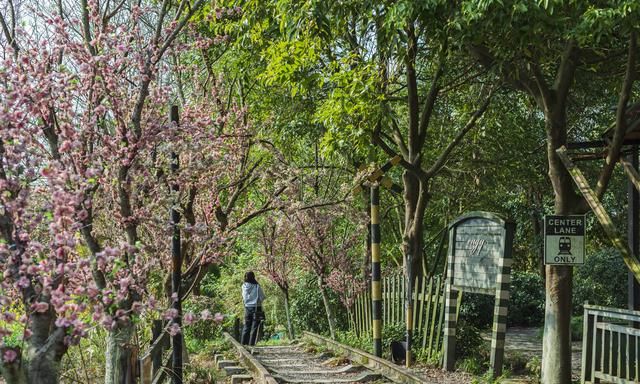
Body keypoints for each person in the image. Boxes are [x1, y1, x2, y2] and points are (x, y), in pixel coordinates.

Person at [241, 271, 265, 345]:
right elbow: (262, 297)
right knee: (254, 328)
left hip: (247, 308)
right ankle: (251, 345)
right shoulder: (257, 286)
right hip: (256, 308)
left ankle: (243, 345)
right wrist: (257, 301)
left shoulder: (244, 286)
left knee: (247, 326)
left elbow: (244, 297)